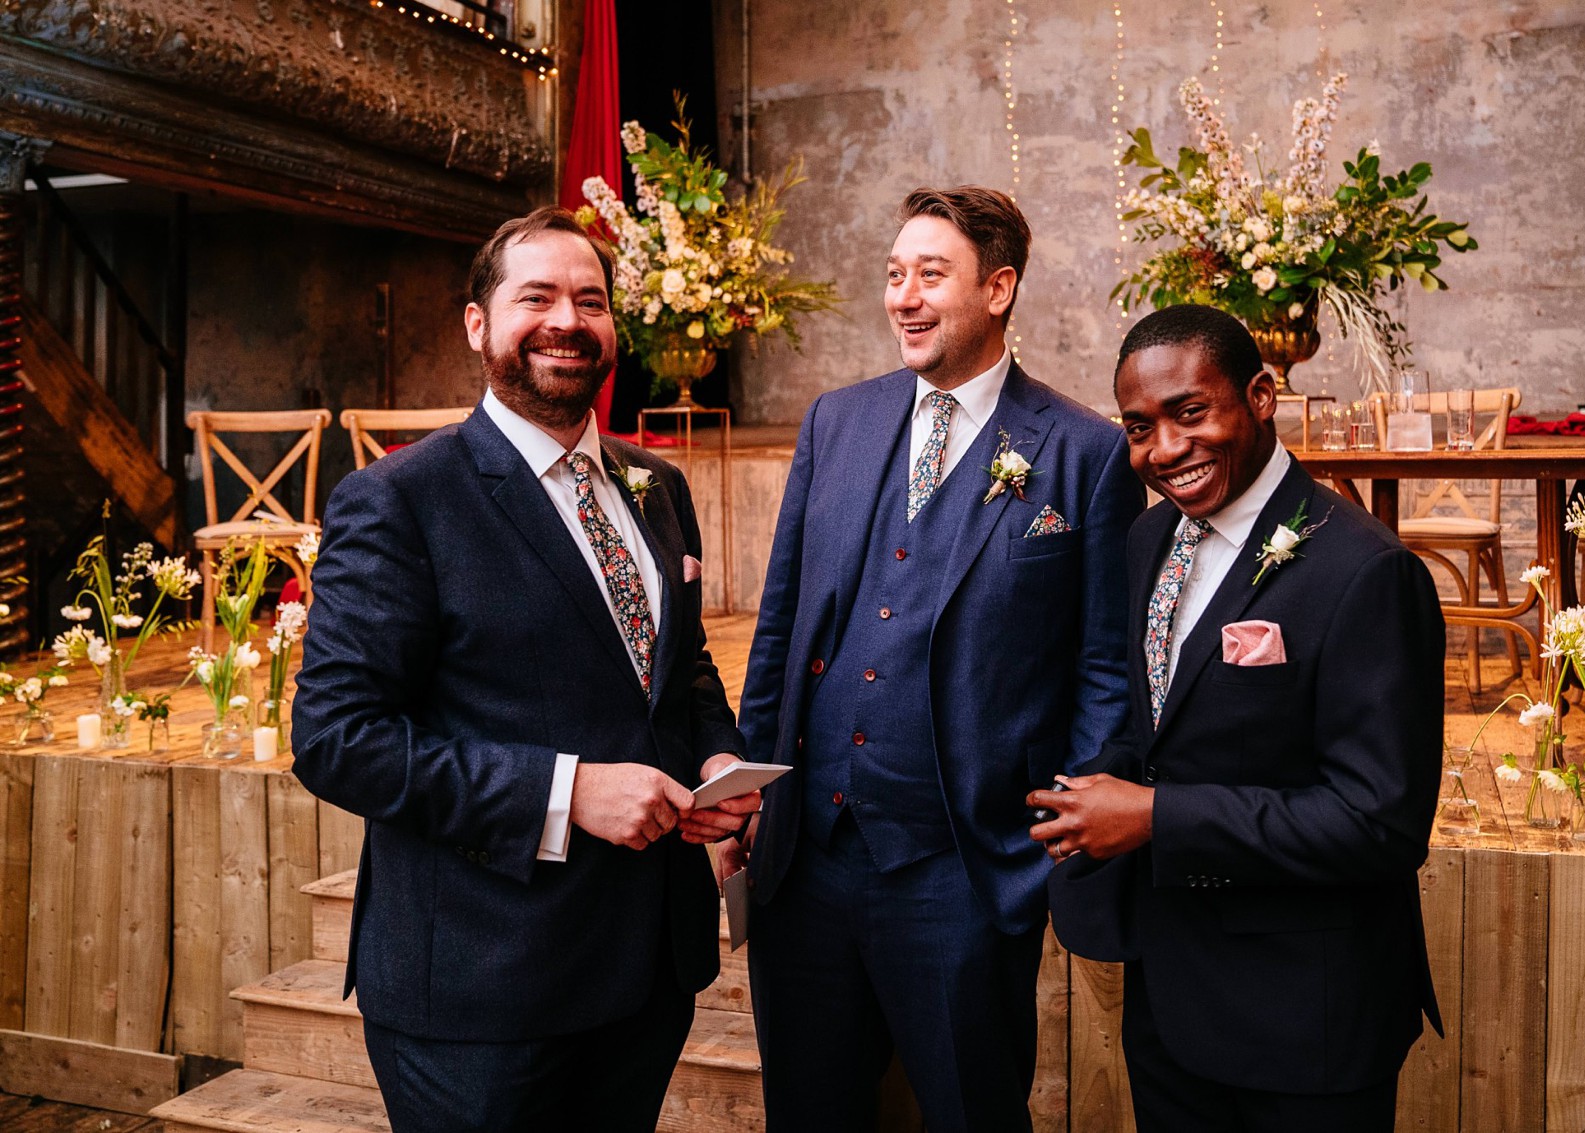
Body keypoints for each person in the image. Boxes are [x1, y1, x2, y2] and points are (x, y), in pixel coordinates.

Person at [290, 206, 758, 1133]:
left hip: (646, 967)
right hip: (482, 987)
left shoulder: (655, 486)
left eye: (591, 300)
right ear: (478, 324)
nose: (568, 320)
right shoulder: (399, 501)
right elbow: (338, 741)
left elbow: (681, 666)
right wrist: (568, 791)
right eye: (535, 296)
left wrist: (716, 759)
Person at [729, 185, 1141, 1132]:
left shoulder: (1082, 453)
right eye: (893, 274)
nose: (903, 296)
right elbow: (783, 623)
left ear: (998, 289)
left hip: (965, 867)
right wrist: (748, 793)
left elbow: (1106, 668)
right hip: (810, 864)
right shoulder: (837, 421)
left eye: (930, 274)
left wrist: (1045, 839)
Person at [1032, 303, 1444, 1132]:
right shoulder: (1148, 541)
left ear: (1261, 395)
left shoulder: (1366, 571)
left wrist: (1155, 817)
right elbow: (1163, 725)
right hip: (1173, 1001)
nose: (1166, 449)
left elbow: (1380, 823)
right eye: (1140, 427)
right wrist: (1087, 793)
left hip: (1306, 1020)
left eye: (1191, 412)